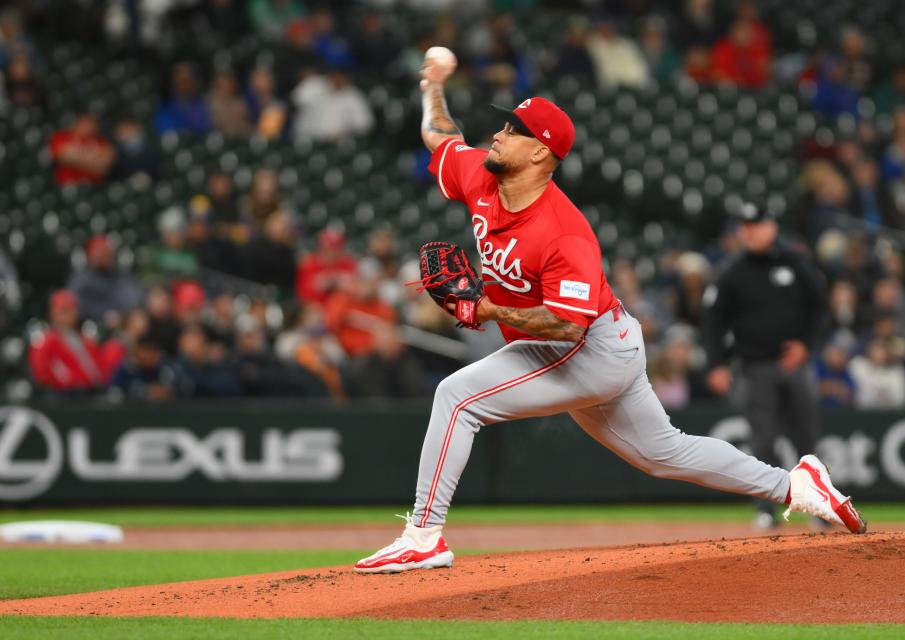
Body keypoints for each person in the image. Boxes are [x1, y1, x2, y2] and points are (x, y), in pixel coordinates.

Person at [353, 49, 866, 574]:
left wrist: (483, 307)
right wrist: (432, 86)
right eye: (505, 122)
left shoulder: (564, 231)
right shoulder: (482, 177)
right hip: (593, 343)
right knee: (666, 453)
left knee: (457, 396)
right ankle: (797, 485)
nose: (500, 133)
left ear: (540, 154)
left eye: (515, 129)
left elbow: (565, 323)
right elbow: (441, 137)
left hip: (588, 345)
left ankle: (424, 535)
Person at [701, 203, 828, 530]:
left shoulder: (795, 262)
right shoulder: (732, 271)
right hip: (755, 366)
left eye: (756, 224)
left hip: (795, 365)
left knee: (806, 439)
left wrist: (806, 344)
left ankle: (820, 507)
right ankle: (766, 509)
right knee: (763, 441)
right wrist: (716, 363)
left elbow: (819, 307)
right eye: (745, 225)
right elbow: (713, 320)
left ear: (772, 227)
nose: (750, 230)